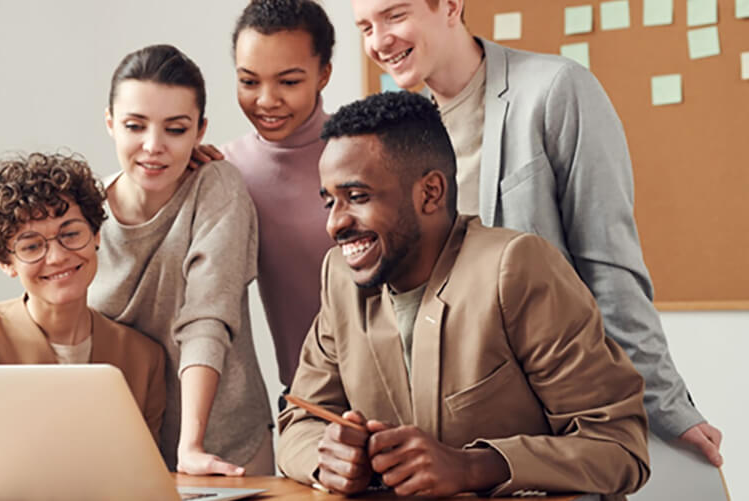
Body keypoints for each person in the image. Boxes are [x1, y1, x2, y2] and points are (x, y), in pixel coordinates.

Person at [349, 0, 723, 466]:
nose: (378, 41)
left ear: (449, 6)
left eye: (395, 15)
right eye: (365, 27)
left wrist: (667, 407)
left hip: (557, 424)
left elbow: (608, 265)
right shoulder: (401, 135)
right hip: (451, 437)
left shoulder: (555, 90)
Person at [277, 92, 650, 499]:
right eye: (329, 201)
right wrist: (327, 457)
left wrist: (472, 466)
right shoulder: (340, 277)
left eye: (358, 197)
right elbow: (298, 420)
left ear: (431, 193)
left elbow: (620, 447)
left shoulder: (515, 269)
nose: (335, 224)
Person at [0, 152, 167, 482]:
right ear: (6, 262)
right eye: (30, 246)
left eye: (71, 233)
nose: (57, 256)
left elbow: (142, 472)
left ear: (96, 235)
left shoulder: (144, 358)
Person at [88, 44, 272, 476]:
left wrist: (191, 446)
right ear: (111, 124)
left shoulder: (216, 188)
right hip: (122, 447)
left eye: (175, 129)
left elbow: (207, 315)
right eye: (135, 126)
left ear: (199, 131)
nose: (153, 147)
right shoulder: (84, 210)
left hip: (223, 445)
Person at [216, 0, 336, 400]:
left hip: (402, 390)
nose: (266, 100)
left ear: (323, 75)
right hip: (307, 397)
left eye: (288, 82)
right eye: (249, 82)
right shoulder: (226, 170)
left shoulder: (362, 151)